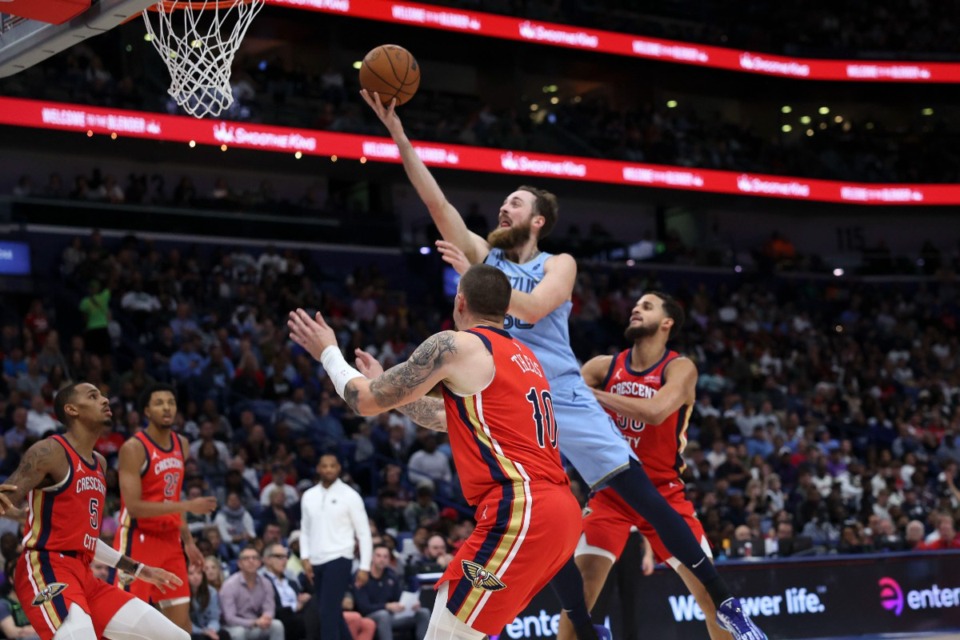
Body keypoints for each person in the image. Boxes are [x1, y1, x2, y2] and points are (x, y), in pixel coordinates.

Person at [361, 92, 766, 640]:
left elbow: (531, 306)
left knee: (644, 495)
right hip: (514, 395)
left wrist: (481, 281)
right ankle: (585, 623)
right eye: (502, 203)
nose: (503, 210)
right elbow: (439, 206)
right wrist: (400, 137)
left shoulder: (558, 264)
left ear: (539, 220)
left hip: (564, 396)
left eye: (515, 204)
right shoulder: (488, 260)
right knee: (546, 516)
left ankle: (725, 604)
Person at [287, 264, 584, 640]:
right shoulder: (523, 357)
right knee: (456, 622)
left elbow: (363, 400)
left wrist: (328, 352)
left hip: (523, 508)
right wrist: (392, 391)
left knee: (450, 629)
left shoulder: (456, 344)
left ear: (460, 301)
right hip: (560, 511)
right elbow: (450, 418)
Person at [560, 292, 731, 640]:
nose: (636, 308)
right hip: (611, 494)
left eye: (647, 306)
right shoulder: (600, 367)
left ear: (667, 323)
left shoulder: (679, 368)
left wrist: (591, 394)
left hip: (664, 495)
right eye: (635, 305)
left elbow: (654, 413)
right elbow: (560, 403)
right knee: (579, 600)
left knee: (712, 600)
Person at [0, 381, 189, 640]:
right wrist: (20, 512)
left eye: (102, 395)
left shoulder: (99, 463)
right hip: (47, 567)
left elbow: (85, 539)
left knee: (177, 637)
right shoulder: (50, 451)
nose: (104, 400)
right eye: (93, 396)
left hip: (85, 573)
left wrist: (139, 569)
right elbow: (6, 498)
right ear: (72, 410)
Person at [112, 383, 218, 633]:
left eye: (171, 402)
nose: (167, 407)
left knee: (181, 627)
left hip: (171, 541)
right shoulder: (133, 448)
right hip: (138, 539)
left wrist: (188, 542)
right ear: (146, 411)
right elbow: (135, 507)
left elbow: (173, 494)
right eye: (159, 403)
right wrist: (189, 505)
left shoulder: (181, 443)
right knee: (129, 624)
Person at [299, 454, 372, 640]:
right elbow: (304, 529)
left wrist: (364, 566)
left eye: (332, 466)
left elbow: (363, 533)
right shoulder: (309, 496)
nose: (328, 469)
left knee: (326, 614)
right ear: (318, 468)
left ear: (339, 468)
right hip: (316, 560)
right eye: (324, 466)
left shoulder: (350, 495)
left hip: (340, 558)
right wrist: (304, 557)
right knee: (332, 612)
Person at [354, 544, 429, 640]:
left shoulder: (391, 575)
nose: (382, 559)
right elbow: (363, 607)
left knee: (423, 613)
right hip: (370, 616)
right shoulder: (362, 576)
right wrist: (386, 606)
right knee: (383, 615)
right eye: (379, 555)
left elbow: (399, 598)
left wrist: (412, 604)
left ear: (389, 559)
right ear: (372, 557)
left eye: (385, 556)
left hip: (392, 615)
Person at [219, 546, 284, 640]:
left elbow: (269, 609)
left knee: (277, 625)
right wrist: (254, 622)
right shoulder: (229, 585)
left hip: (257, 626)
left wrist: (266, 618)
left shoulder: (266, 583)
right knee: (239, 632)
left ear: (259, 563)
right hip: (234, 627)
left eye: (255, 558)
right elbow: (229, 618)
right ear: (239, 564)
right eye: (246, 558)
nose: (251, 561)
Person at [261, 543, 310, 640]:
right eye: (279, 557)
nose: (285, 560)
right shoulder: (262, 581)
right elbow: (270, 607)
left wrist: (305, 598)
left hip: (299, 615)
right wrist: (295, 606)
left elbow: (300, 597)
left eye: (286, 557)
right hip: (280, 616)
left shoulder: (291, 580)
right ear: (267, 560)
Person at [187, 563, 228, 640]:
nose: (196, 577)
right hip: (191, 631)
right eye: (191, 573)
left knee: (224, 634)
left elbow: (214, 618)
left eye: (199, 573)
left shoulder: (211, 591)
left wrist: (211, 630)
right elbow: (184, 622)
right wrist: (203, 631)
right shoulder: (182, 595)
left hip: (208, 628)